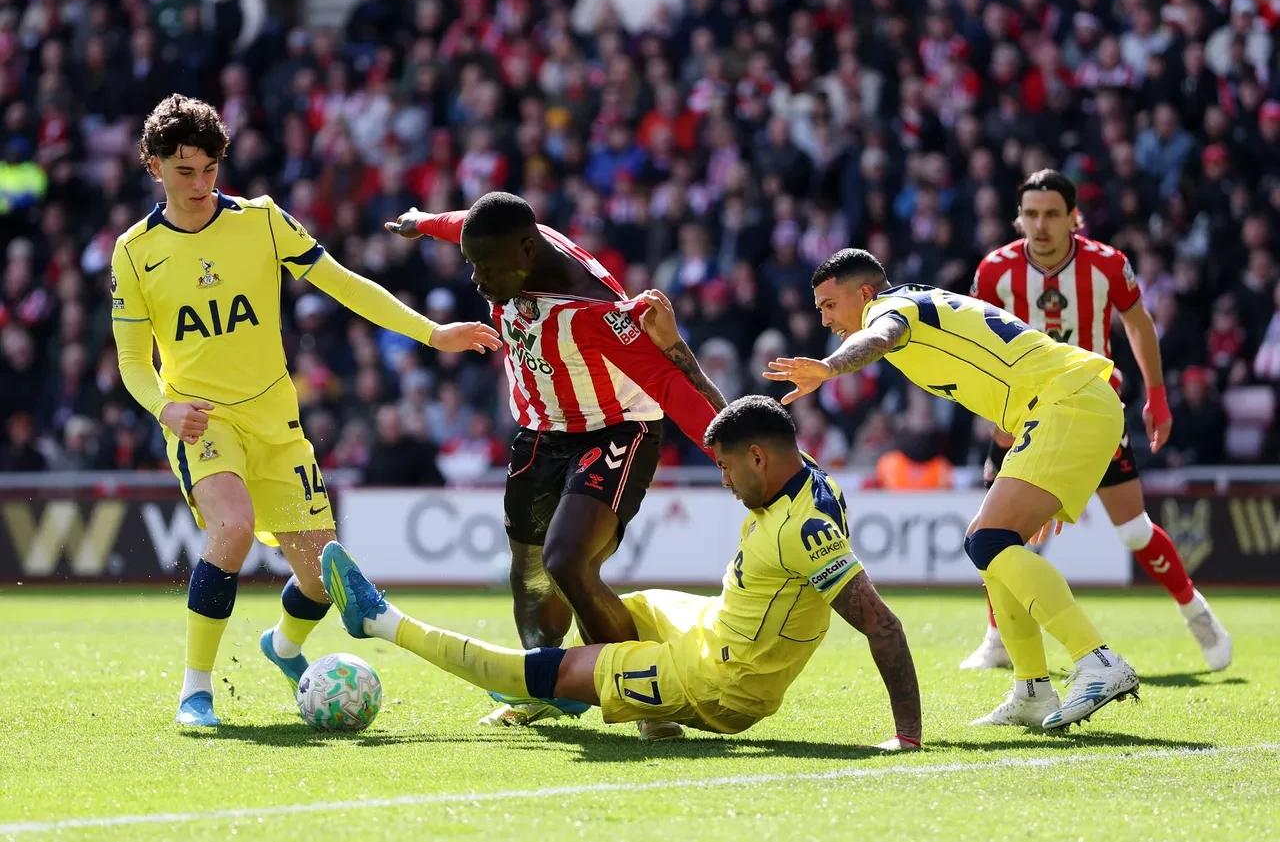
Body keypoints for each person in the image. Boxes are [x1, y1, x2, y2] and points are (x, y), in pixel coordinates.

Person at [111, 95, 501, 728]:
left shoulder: (262, 221)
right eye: (185, 170)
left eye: (210, 168)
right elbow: (131, 360)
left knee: (322, 578)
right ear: (154, 165)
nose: (200, 184)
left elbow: (344, 283)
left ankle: (283, 646)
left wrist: (434, 333)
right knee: (231, 530)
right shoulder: (133, 252)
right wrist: (166, 406)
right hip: (205, 423)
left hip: (276, 421)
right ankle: (195, 691)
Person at [320, 395, 922, 748]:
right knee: (616, 603)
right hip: (708, 626)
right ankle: (589, 696)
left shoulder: (803, 530)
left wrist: (908, 737)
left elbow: (882, 625)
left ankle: (382, 621)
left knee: (534, 669)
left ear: (759, 458)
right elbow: (742, 417)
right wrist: (678, 348)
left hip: (723, 683)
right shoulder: (804, 469)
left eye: (726, 468)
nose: (723, 480)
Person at [385, 194, 725, 739]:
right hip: (541, 432)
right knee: (530, 578)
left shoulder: (592, 308)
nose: (477, 280)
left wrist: (724, 452)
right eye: (473, 265)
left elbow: (665, 383)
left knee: (566, 560)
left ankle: (647, 700)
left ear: (526, 250)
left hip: (617, 428)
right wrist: (422, 223)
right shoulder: (515, 242)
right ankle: (547, 686)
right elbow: (464, 227)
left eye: (487, 268)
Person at [765, 248, 1139, 729]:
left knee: (990, 541)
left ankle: (1098, 661)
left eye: (830, 304)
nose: (825, 318)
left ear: (863, 293)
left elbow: (882, 335)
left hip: (1066, 404)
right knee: (985, 540)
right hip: (1062, 406)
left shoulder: (887, 309)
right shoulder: (920, 300)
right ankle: (1031, 689)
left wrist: (831, 367)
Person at [967, 170, 1230, 672]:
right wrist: (992, 410)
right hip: (1021, 416)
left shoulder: (1107, 264)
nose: (1040, 226)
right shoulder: (994, 272)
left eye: (1051, 215)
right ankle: (997, 637)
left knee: (1132, 531)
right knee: (995, 534)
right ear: (1018, 217)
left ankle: (1195, 609)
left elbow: (1138, 323)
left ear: (1073, 218)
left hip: (1092, 413)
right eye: (1031, 214)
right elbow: (979, 346)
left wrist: (1157, 396)